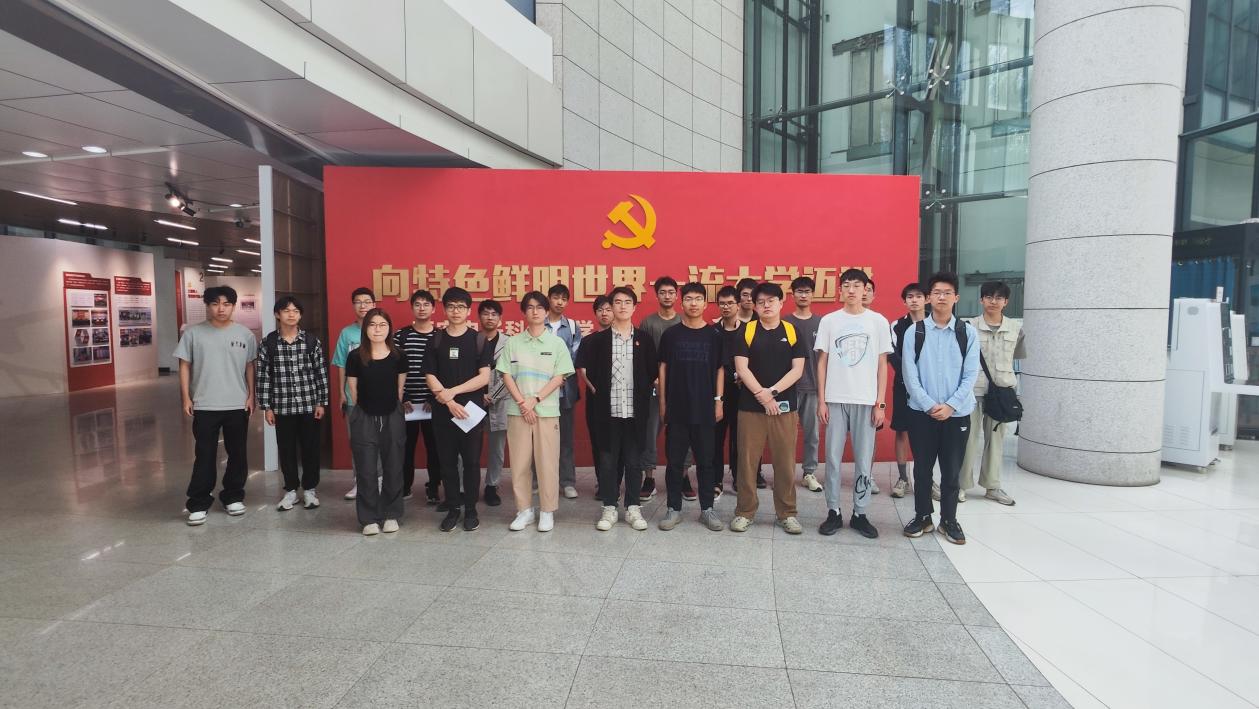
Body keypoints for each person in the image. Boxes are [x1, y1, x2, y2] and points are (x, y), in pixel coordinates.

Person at [901, 272, 979, 545]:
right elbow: (909, 374)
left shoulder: (967, 333)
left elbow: (971, 374)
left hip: (957, 413)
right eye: (936, 292)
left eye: (947, 293)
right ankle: (923, 516)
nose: (942, 297)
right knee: (922, 469)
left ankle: (949, 520)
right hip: (921, 413)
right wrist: (929, 404)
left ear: (956, 297)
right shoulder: (915, 331)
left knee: (952, 469)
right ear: (929, 298)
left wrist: (950, 406)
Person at [814, 269, 891, 538]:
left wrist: (880, 404)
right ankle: (833, 511)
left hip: (866, 400)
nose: (851, 290)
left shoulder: (878, 321)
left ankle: (860, 513)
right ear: (840, 290)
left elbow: (882, 365)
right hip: (835, 399)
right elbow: (821, 363)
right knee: (832, 459)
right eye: (846, 285)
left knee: (863, 460)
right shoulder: (829, 321)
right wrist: (821, 400)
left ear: (865, 289)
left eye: (856, 285)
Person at [176, 286, 257, 525]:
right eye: (215, 303)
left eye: (226, 304)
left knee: (237, 453)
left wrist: (251, 395)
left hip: (236, 404)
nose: (221, 308)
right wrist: (186, 397)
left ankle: (233, 496)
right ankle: (199, 502)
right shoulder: (193, 333)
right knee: (205, 455)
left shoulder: (245, 334)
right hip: (204, 404)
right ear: (207, 305)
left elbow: (250, 366)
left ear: (233, 306)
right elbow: (184, 366)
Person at [729, 282, 807, 534]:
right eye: (760, 302)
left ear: (781, 302)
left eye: (771, 301)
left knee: (785, 462)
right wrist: (762, 396)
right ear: (754, 305)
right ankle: (745, 511)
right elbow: (742, 368)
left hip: (784, 408)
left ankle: (787, 513)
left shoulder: (792, 331)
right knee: (747, 462)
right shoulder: (747, 331)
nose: (766, 305)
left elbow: (797, 370)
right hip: (750, 408)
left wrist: (771, 393)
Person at [576, 286, 656, 531]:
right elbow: (584, 369)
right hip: (607, 412)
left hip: (635, 411)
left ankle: (633, 507)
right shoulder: (596, 341)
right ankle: (609, 507)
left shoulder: (644, 339)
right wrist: (596, 390)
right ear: (611, 307)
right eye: (617, 302)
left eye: (627, 302)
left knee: (633, 461)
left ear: (634, 307)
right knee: (608, 461)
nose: (622, 306)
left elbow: (652, 373)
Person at [500, 291, 575, 532]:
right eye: (530, 307)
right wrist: (523, 403)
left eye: (539, 307)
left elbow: (560, 376)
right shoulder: (513, 343)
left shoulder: (556, 343)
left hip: (547, 411)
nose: (535, 311)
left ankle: (546, 511)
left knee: (547, 463)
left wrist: (535, 400)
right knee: (520, 463)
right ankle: (524, 511)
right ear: (524, 311)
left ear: (546, 311)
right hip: (518, 411)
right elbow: (506, 375)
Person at [423, 287, 494, 532]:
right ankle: (453, 508)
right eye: (451, 306)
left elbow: (484, 377)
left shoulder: (478, 340)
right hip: (443, 412)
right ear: (444, 309)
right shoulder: (436, 340)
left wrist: (453, 392)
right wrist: (449, 401)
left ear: (468, 310)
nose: (456, 311)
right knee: (447, 463)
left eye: (461, 307)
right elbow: (429, 375)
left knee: (472, 462)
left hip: (471, 412)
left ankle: (471, 510)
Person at [658, 282, 726, 532]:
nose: (693, 303)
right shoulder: (671, 335)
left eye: (698, 299)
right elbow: (662, 368)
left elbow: (720, 369)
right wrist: (663, 403)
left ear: (705, 304)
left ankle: (707, 509)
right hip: (677, 408)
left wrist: (718, 401)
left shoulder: (714, 335)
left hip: (705, 408)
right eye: (688, 299)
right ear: (682, 302)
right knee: (675, 462)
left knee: (706, 462)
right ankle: (673, 509)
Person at [953, 281, 1025, 506]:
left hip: (1002, 392)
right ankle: (961, 485)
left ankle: (992, 486)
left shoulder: (1016, 328)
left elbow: (1017, 356)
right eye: (989, 297)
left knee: (996, 441)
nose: (993, 302)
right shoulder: (968, 327)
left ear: (1006, 302)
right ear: (981, 300)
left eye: (999, 298)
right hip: (972, 391)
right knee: (967, 440)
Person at [256, 296, 329, 512]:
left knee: (310, 449)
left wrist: (321, 402)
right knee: (286, 450)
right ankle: (290, 490)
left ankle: (310, 490)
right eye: (286, 310)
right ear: (277, 314)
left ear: (300, 315)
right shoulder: (268, 343)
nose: (291, 314)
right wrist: (267, 407)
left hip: (308, 405)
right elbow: (263, 376)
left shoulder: (311, 341)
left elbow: (320, 373)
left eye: (296, 311)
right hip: (282, 406)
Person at [346, 308, 408, 536]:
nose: (377, 329)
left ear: (389, 328)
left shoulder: (398, 356)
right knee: (366, 469)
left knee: (394, 466)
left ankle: (392, 514)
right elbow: (353, 391)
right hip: (364, 416)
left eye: (382, 325)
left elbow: (400, 389)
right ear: (365, 329)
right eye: (372, 325)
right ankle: (368, 518)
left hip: (392, 415)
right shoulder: (355, 356)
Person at [637, 275, 682, 502]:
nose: (667, 296)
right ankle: (649, 478)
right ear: (657, 296)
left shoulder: (683, 321)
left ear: (677, 295)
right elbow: (642, 355)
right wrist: (654, 378)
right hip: (654, 387)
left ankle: (682, 477)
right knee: (649, 432)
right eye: (662, 292)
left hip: (680, 388)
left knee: (682, 432)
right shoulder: (648, 323)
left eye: (671, 292)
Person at [395, 290, 441, 504]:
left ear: (434, 308)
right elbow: (394, 368)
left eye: (426, 304)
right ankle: (405, 486)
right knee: (406, 448)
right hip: (408, 404)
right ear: (412, 308)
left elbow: (444, 369)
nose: (422, 308)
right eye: (417, 304)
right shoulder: (401, 336)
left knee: (435, 448)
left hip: (434, 403)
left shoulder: (440, 336)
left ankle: (434, 487)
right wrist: (402, 396)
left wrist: (434, 397)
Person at [332, 287, 376, 500]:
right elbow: (341, 364)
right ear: (353, 306)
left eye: (367, 301)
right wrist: (341, 392)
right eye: (358, 302)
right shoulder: (347, 333)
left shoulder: (381, 329)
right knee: (357, 442)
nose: (363, 306)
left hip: (379, 398)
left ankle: (379, 481)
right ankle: (360, 482)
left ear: (374, 305)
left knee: (379, 442)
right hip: (353, 399)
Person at [888, 282, 928, 498]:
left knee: (928, 433)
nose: (914, 300)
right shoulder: (896, 326)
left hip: (930, 388)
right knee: (902, 430)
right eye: (910, 297)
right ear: (904, 301)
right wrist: (911, 378)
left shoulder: (935, 324)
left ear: (927, 299)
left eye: (918, 296)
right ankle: (903, 478)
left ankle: (927, 479)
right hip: (903, 386)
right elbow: (893, 356)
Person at [784, 276, 823, 493]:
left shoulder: (821, 323)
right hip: (788, 388)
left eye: (807, 291)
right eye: (799, 291)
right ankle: (786, 473)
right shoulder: (784, 322)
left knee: (812, 434)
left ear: (812, 294)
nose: (803, 295)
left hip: (814, 387)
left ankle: (809, 472)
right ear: (792, 295)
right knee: (786, 435)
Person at [544, 284, 583, 499]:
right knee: (540, 439)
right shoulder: (538, 323)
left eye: (563, 299)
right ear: (549, 299)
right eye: (555, 297)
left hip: (565, 391)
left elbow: (575, 357)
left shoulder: (573, 327)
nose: (559, 302)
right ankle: (539, 480)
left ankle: (567, 482)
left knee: (566, 439)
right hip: (541, 392)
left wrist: (560, 376)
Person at [581, 294, 613, 500]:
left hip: (620, 399)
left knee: (618, 443)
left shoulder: (624, 339)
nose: (604, 313)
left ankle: (615, 481)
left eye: (608, 309)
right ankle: (603, 483)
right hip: (596, 399)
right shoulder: (588, 341)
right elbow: (582, 369)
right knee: (598, 442)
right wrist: (594, 389)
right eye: (600, 310)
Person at [713, 286, 743, 497]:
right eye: (722, 303)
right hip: (719, 393)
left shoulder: (749, 330)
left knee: (740, 438)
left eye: (730, 303)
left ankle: (739, 478)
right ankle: (716, 480)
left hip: (743, 392)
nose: (726, 307)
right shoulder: (712, 331)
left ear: (738, 305)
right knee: (716, 438)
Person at [479, 300, 508, 507]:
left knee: (497, 448)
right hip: (473, 402)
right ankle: (465, 487)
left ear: (500, 318)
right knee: (468, 447)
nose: (490, 317)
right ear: (479, 317)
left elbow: (512, 374)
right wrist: (479, 395)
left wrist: (492, 396)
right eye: (486, 313)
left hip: (500, 402)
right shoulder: (472, 340)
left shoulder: (509, 343)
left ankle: (492, 486)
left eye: (494, 314)